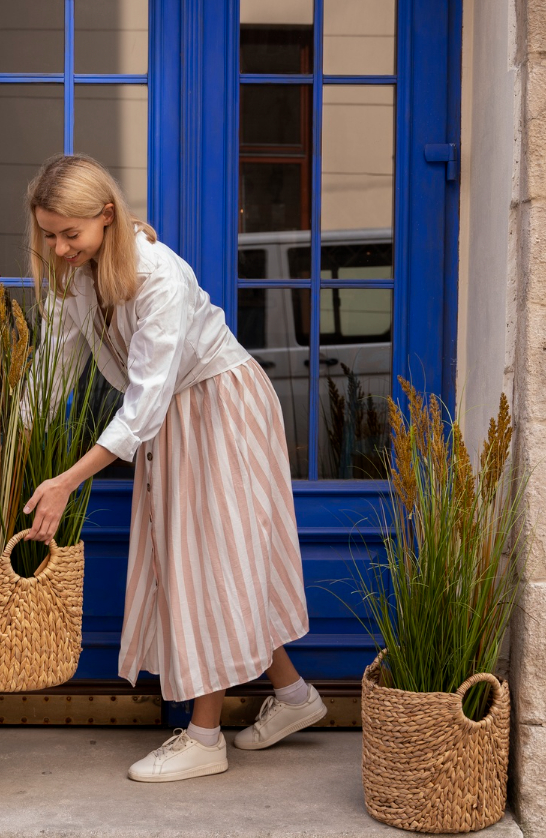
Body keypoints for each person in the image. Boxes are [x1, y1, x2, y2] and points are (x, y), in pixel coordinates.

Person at [21, 153, 326, 782]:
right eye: (48, 234)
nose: (58, 248)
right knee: (222, 561)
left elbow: (143, 403)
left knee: (202, 560)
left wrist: (66, 480)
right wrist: (9, 446)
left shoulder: (159, 276)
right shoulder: (75, 276)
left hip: (218, 403)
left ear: (106, 216)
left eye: (70, 234)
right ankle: (295, 696)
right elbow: (53, 370)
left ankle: (205, 738)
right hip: (178, 412)